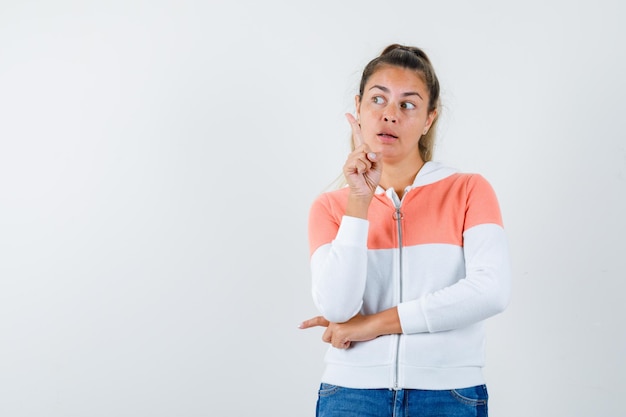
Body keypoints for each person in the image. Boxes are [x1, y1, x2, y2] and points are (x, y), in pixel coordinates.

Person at [298, 44, 512, 417]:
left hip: (447, 393)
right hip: (351, 395)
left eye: (407, 104)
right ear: (359, 107)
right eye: (378, 99)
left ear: (429, 119)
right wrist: (359, 202)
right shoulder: (331, 207)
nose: (390, 115)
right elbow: (337, 306)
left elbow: (490, 291)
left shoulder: (468, 190)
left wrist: (373, 325)